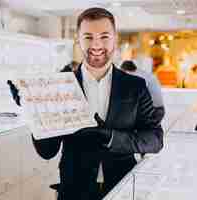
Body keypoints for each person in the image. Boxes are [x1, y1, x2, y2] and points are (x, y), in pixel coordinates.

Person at [9, 7, 164, 200]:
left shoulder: (136, 86)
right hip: (74, 189)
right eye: (88, 37)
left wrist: (111, 137)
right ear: (78, 39)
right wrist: (33, 111)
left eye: (104, 36)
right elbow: (47, 151)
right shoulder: (59, 86)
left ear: (115, 38)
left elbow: (155, 140)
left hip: (122, 187)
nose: (96, 44)